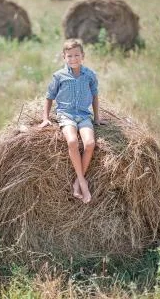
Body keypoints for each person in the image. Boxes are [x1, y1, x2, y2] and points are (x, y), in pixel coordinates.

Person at [39, 39, 103, 204]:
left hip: (83, 115)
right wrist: (45, 118)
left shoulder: (90, 75)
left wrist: (97, 117)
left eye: (76, 55)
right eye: (69, 56)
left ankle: (77, 181)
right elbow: (49, 97)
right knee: (72, 141)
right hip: (66, 114)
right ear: (64, 57)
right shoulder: (59, 76)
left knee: (89, 144)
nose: (73, 59)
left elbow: (95, 96)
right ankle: (83, 182)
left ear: (83, 56)